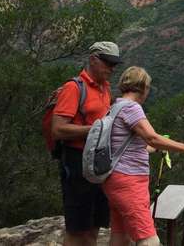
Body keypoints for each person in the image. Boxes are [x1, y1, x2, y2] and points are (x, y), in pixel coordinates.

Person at [105, 66, 184, 246]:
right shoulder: (132, 108)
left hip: (114, 179)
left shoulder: (114, 107)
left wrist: (157, 148)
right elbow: (152, 137)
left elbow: (136, 147)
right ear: (144, 87)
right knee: (149, 240)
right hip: (130, 182)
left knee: (120, 236)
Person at [51, 41, 123, 246]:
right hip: (76, 163)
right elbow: (57, 130)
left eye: (114, 64)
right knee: (76, 228)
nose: (111, 68)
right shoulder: (73, 88)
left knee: (95, 224)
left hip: (99, 164)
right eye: (108, 63)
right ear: (93, 59)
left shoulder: (105, 88)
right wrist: (96, 130)